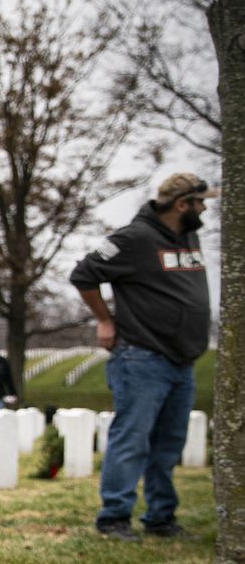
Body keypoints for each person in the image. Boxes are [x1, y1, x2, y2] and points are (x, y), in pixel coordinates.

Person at [70, 172, 214, 541]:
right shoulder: (135, 238)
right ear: (182, 204)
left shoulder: (188, 237)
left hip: (182, 359)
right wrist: (105, 320)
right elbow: (84, 274)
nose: (204, 209)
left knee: (169, 443)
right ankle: (114, 517)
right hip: (142, 356)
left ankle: (161, 517)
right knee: (132, 438)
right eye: (200, 202)